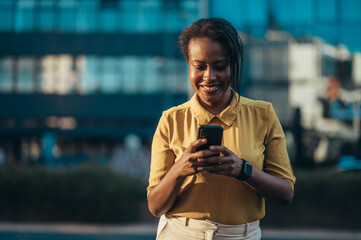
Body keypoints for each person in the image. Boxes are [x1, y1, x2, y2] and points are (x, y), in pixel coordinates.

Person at [147, 18, 295, 240]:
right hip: (181, 233)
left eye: (219, 66)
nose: (209, 76)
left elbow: (286, 194)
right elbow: (155, 206)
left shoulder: (263, 114)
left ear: (233, 65)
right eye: (199, 67)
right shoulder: (171, 120)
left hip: (242, 235)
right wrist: (180, 168)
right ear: (188, 65)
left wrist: (242, 169)